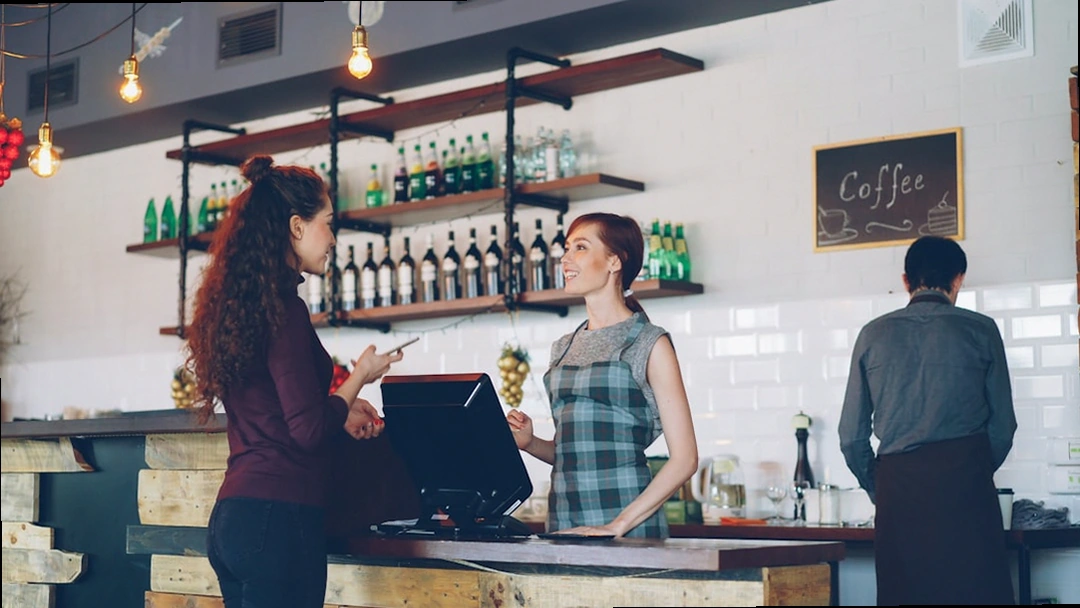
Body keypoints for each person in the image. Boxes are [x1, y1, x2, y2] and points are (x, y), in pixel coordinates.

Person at [184, 155, 403, 608]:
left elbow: (282, 414)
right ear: (296, 227)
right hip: (278, 521)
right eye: (327, 222)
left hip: (234, 518)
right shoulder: (284, 309)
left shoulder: (246, 307)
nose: (333, 238)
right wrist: (358, 378)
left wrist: (339, 409)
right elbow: (305, 431)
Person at [838, 235, 1017, 606]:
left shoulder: (873, 334)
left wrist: (880, 487)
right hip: (967, 491)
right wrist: (973, 470)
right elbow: (1004, 427)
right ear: (958, 279)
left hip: (899, 496)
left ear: (906, 281)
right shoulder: (982, 330)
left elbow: (851, 437)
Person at [506, 213, 698, 538]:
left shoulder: (650, 343)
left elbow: (685, 459)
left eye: (580, 247)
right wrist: (531, 443)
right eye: (566, 249)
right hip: (566, 522)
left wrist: (616, 526)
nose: (565, 259)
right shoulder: (563, 347)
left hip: (629, 527)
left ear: (614, 262)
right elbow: (577, 452)